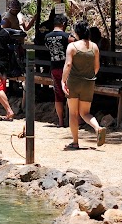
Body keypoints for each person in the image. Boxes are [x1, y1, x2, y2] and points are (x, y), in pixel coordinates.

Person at [61, 20, 106, 149]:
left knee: (73, 114)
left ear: (77, 32)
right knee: (85, 113)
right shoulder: (94, 47)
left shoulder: (72, 47)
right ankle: (98, 128)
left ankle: (75, 142)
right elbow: (96, 67)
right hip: (89, 82)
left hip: (74, 82)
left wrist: (63, 81)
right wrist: (89, 76)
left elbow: (68, 65)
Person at [44, 13, 74, 127]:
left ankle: (60, 121)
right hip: (66, 68)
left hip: (54, 67)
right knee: (71, 93)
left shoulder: (47, 37)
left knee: (58, 94)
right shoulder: (67, 37)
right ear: (63, 23)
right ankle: (73, 120)